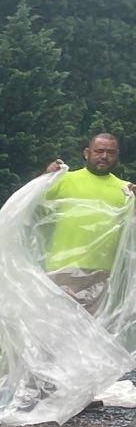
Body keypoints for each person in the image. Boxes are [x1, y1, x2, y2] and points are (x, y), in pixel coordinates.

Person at [40, 133, 135, 313]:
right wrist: (45, 178)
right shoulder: (63, 180)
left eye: (110, 152)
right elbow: (34, 204)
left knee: (94, 331)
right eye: (99, 151)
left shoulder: (126, 190)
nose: (105, 156)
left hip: (104, 273)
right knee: (61, 327)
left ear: (117, 155)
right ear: (86, 153)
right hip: (63, 270)